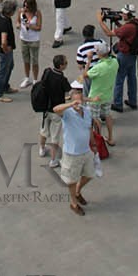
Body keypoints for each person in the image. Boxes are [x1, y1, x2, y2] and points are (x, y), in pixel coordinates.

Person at [53, 81, 97, 215]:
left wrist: (93, 143)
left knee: (89, 175)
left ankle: (78, 192)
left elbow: (89, 128)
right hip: (72, 153)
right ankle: (73, 203)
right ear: (71, 98)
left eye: (80, 96)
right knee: (71, 180)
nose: (78, 100)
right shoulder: (67, 113)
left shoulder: (87, 111)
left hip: (86, 151)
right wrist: (71, 105)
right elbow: (56, 109)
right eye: (75, 96)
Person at [98, 5, 138, 113]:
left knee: (119, 79)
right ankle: (133, 101)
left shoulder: (128, 27)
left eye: (123, 14)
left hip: (125, 55)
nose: (121, 15)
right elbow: (124, 31)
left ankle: (118, 104)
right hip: (133, 55)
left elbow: (109, 34)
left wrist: (100, 21)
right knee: (132, 78)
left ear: (128, 14)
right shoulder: (136, 22)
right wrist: (117, 24)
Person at [35, 52, 71, 169]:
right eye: (65, 63)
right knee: (55, 136)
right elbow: (68, 91)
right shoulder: (62, 79)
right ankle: (53, 160)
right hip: (57, 110)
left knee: (44, 130)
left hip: (46, 108)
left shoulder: (47, 72)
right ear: (61, 66)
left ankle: (41, 148)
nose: (66, 64)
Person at [84, 44, 119, 146]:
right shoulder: (115, 62)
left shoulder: (98, 67)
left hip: (95, 96)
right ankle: (110, 137)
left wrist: (89, 60)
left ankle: (98, 139)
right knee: (107, 115)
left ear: (99, 53)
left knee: (95, 118)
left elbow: (85, 75)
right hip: (107, 94)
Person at [0, 0, 17, 101]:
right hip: (5, 50)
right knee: (3, 69)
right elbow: (4, 40)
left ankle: (5, 86)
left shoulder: (0, 16)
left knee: (10, 66)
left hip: (5, 48)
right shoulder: (4, 22)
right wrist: (5, 48)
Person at [17, 0, 42, 89]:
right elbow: (18, 22)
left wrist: (30, 26)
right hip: (24, 39)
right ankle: (27, 78)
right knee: (26, 60)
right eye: (24, 6)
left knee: (34, 61)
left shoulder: (37, 13)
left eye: (27, 7)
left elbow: (39, 27)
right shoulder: (21, 12)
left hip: (34, 40)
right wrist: (18, 25)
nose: (25, 8)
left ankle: (35, 80)